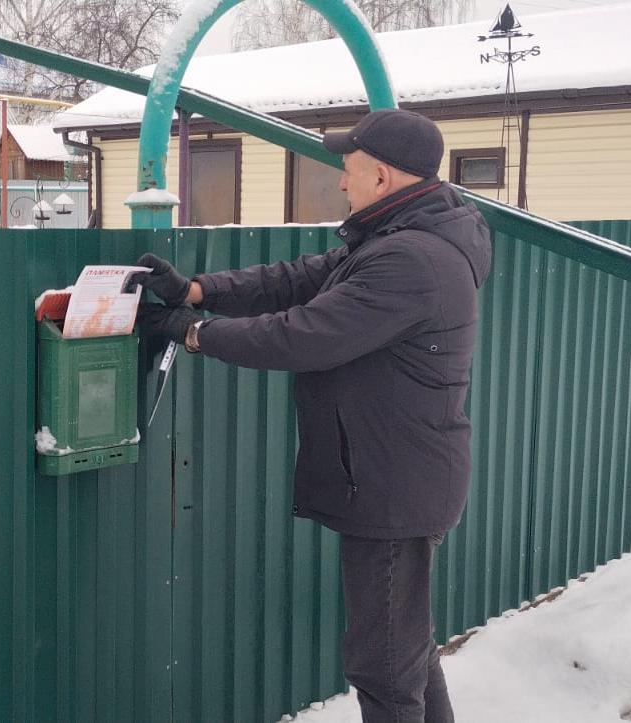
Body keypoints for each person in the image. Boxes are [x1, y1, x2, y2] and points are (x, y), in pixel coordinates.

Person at [134, 108, 491, 723]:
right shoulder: (405, 234)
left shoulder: (412, 258)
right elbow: (301, 279)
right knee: (404, 649)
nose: (342, 184)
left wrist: (195, 335)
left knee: (384, 663)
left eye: (348, 171)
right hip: (399, 468)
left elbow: (304, 335)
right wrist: (199, 292)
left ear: (381, 176)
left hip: (392, 482)